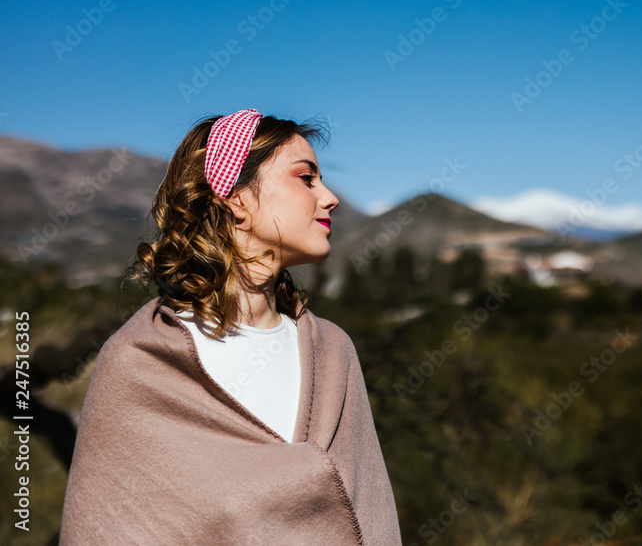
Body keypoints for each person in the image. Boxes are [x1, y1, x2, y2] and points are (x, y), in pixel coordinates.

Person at [61, 109, 403, 545]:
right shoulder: (139, 363)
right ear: (236, 197)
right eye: (306, 178)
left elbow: (372, 518)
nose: (330, 197)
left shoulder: (333, 353)